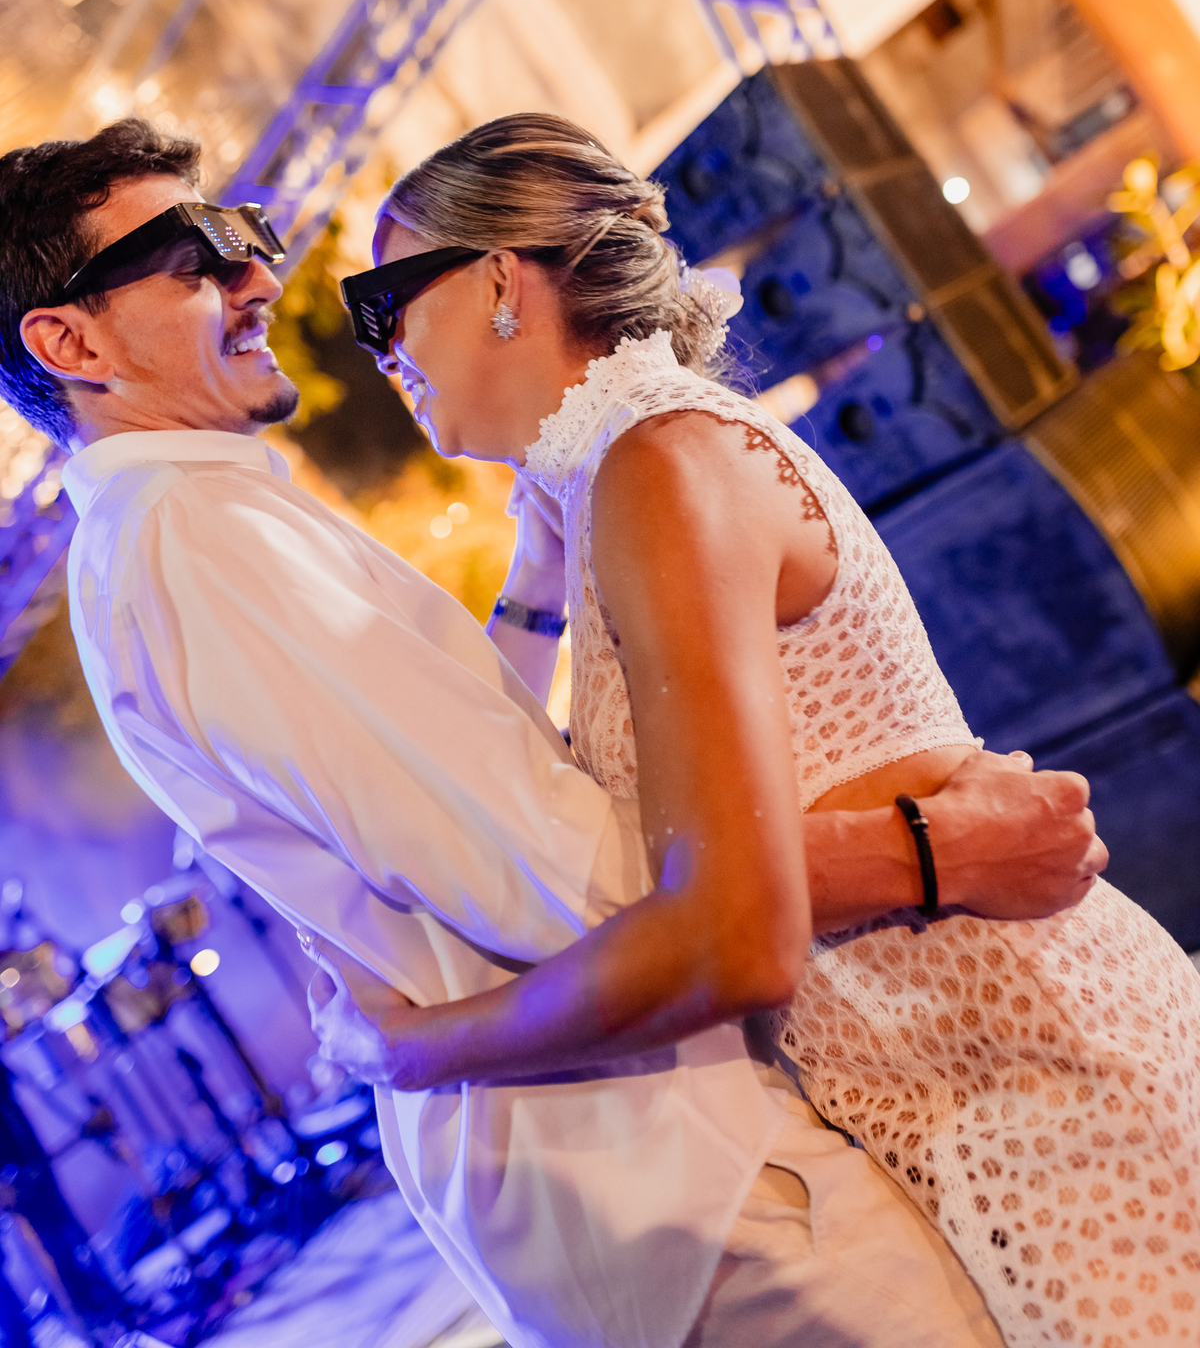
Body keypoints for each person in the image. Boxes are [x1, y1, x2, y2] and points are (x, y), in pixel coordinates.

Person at [0, 119, 1107, 1348]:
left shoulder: (202, 529)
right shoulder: (201, 548)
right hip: (673, 1178)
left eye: (246, 237)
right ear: (69, 342)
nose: (258, 275)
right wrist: (932, 850)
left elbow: (477, 784)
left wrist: (533, 590)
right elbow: (589, 886)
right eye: (196, 257)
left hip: (663, 1159)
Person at [313, 113, 1200, 1348]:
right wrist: (534, 562)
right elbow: (518, 810)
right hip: (960, 1081)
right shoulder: (616, 471)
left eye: (384, 303)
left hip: (1028, 1075)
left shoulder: (660, 461)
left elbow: (726, 929)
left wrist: (421, 1053)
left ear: (503, 281)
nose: (381, 353)